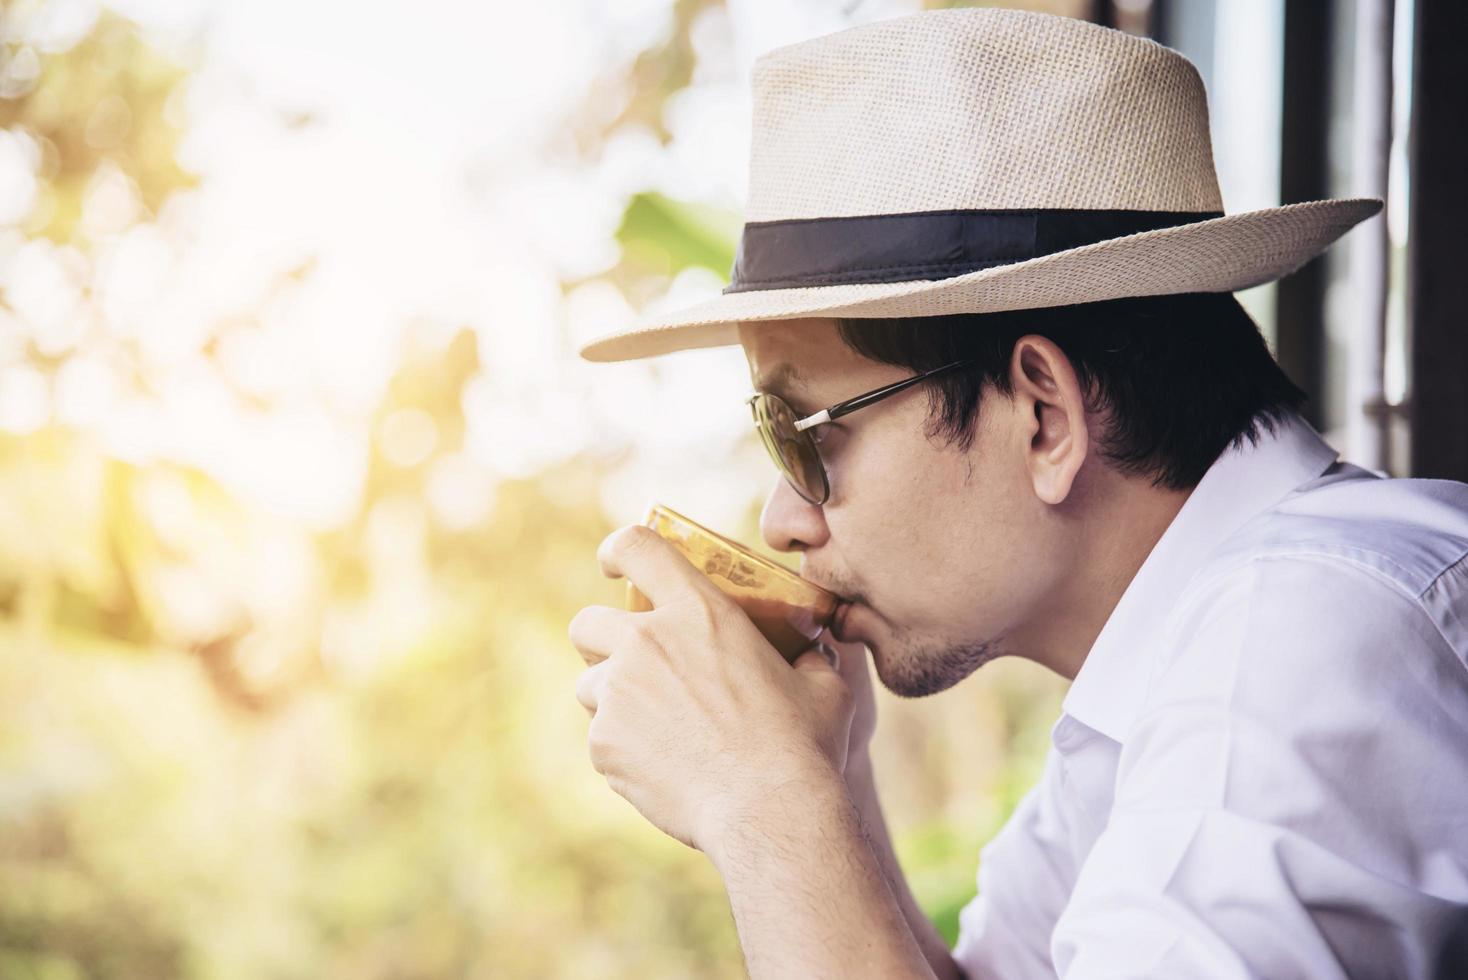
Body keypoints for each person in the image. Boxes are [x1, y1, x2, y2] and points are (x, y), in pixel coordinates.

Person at [568, 8, 1468, 979]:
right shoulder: (1164, 684)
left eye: (806, 438)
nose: (784, 518)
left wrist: (760, 803)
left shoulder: (1295, 650)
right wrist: (825, 775)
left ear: (1042, 413)